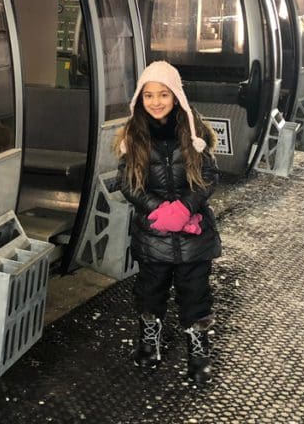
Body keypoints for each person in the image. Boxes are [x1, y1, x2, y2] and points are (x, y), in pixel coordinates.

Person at [115, 60, 221, 384]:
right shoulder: (133, 136)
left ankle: (198, 349)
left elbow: (209, 176)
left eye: (164, 94)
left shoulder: (194, 132)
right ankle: (151, 339)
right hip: (153, 236)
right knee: (150, 290)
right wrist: (158, 209)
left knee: (195, 293)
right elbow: (128, 183)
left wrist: (185, 208)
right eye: (149, 95)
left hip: (193, 237)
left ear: (176, 96)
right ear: (140, 99)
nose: (156, 101)